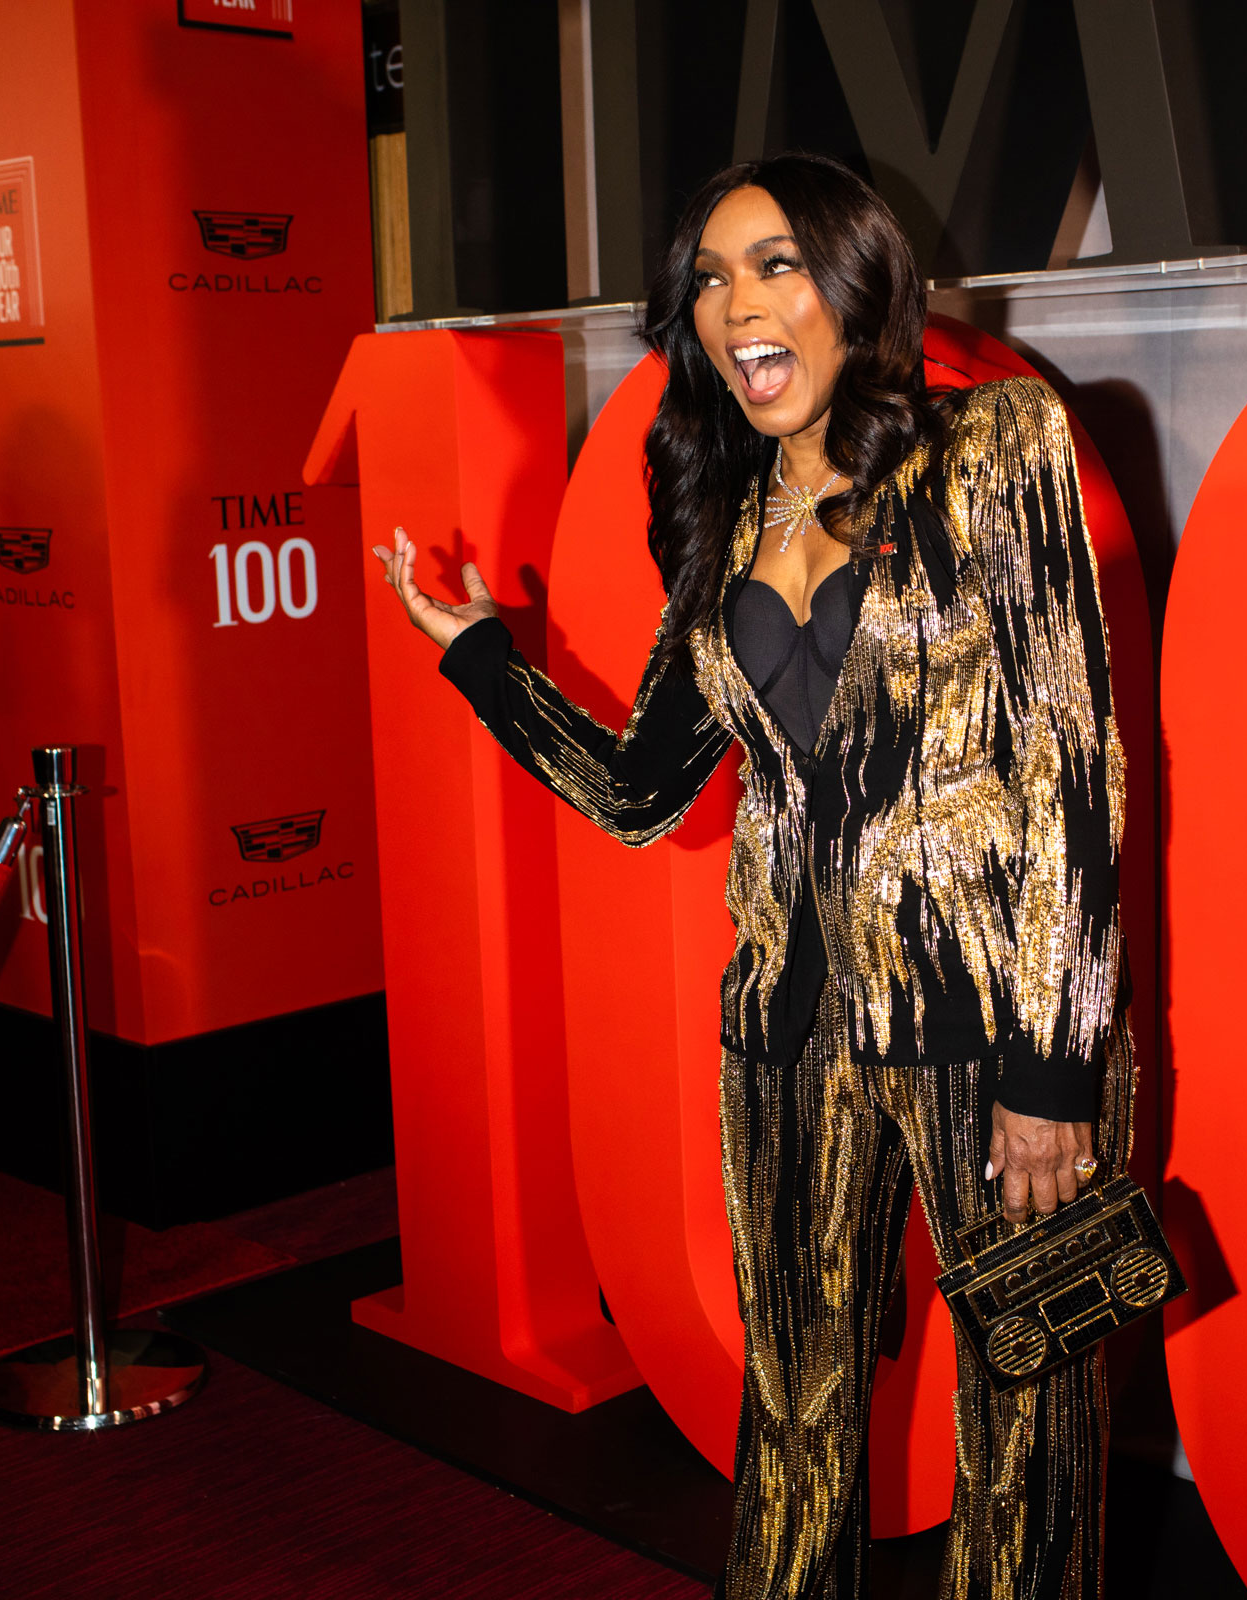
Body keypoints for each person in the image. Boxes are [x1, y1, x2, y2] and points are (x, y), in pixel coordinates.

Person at [375, 153, 1131, 1598]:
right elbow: (641, 795)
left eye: (774, 263)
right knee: (790, 1417)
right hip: (784, 1037)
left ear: (857, 280)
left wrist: (1056, 1071)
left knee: (1033, 1432)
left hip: (1003, 1034)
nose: (738, 305)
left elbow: (1071, 769)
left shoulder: (1000, 447)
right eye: (711, 280)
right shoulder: (723, 525)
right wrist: (480, 659)